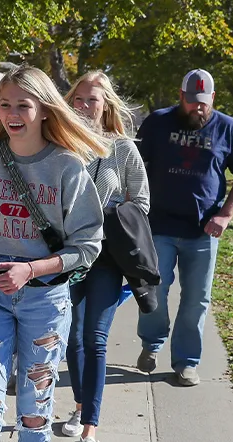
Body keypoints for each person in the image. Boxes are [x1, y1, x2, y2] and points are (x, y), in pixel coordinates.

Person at [0, 65, 108, 442]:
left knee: (36, 414)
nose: (12, 114)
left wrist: (31, 270)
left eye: (23, 105)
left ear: (46, 109)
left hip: (45, 302)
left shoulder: (67, 166)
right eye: (5, 105)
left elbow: (88, 245)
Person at [135, 69, 233, 386]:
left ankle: (186, 362)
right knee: (153, 291)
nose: (197, 108)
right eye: (191, 102)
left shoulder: (229, 129)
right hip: (157, 225)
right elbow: (133, 164)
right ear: (181, 96)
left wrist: (226, 215)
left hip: (203, 231)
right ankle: (151, 344)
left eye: (202, 102)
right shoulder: (157, 122)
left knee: (196, 299)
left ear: (212, 99)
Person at [61, 71, 150, 442]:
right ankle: (80, 406)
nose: (83, 106)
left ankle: (89, 426)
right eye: (78, 99)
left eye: (91, 100)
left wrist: (108, 209)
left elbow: (142, 203)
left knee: (95, 337)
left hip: (107, 258)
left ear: (106, 105)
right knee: (72, 339)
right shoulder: (60, 143)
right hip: (66, 256)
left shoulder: (124, 149)